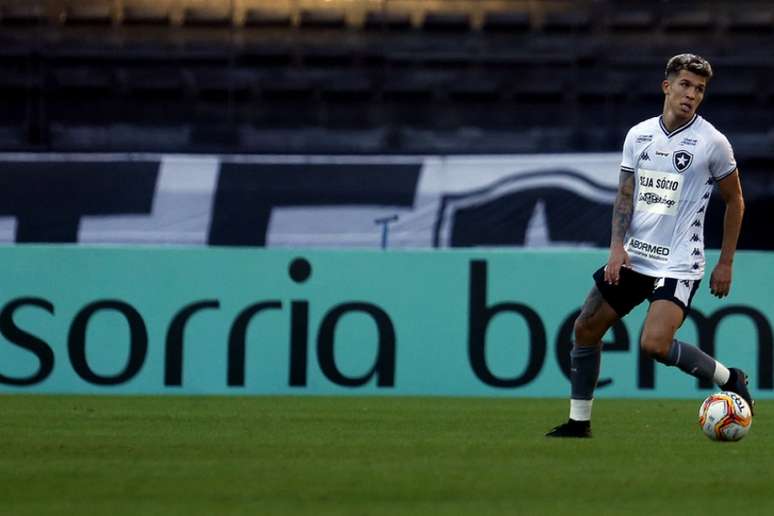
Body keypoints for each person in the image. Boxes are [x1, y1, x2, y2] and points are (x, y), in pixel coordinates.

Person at [546, 53, 752, 438]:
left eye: (700, 89)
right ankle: (578, 423)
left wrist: (726, 263)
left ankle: (730, 377)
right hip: (635, 257)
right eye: (685, 85)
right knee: (586, 328)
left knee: (655, 345)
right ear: (667, 86)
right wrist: (616, 247)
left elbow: (735, 200)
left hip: (678, 262)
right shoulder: (638, 135)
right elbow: (625, 196)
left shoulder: (712, 143)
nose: (692, 95)